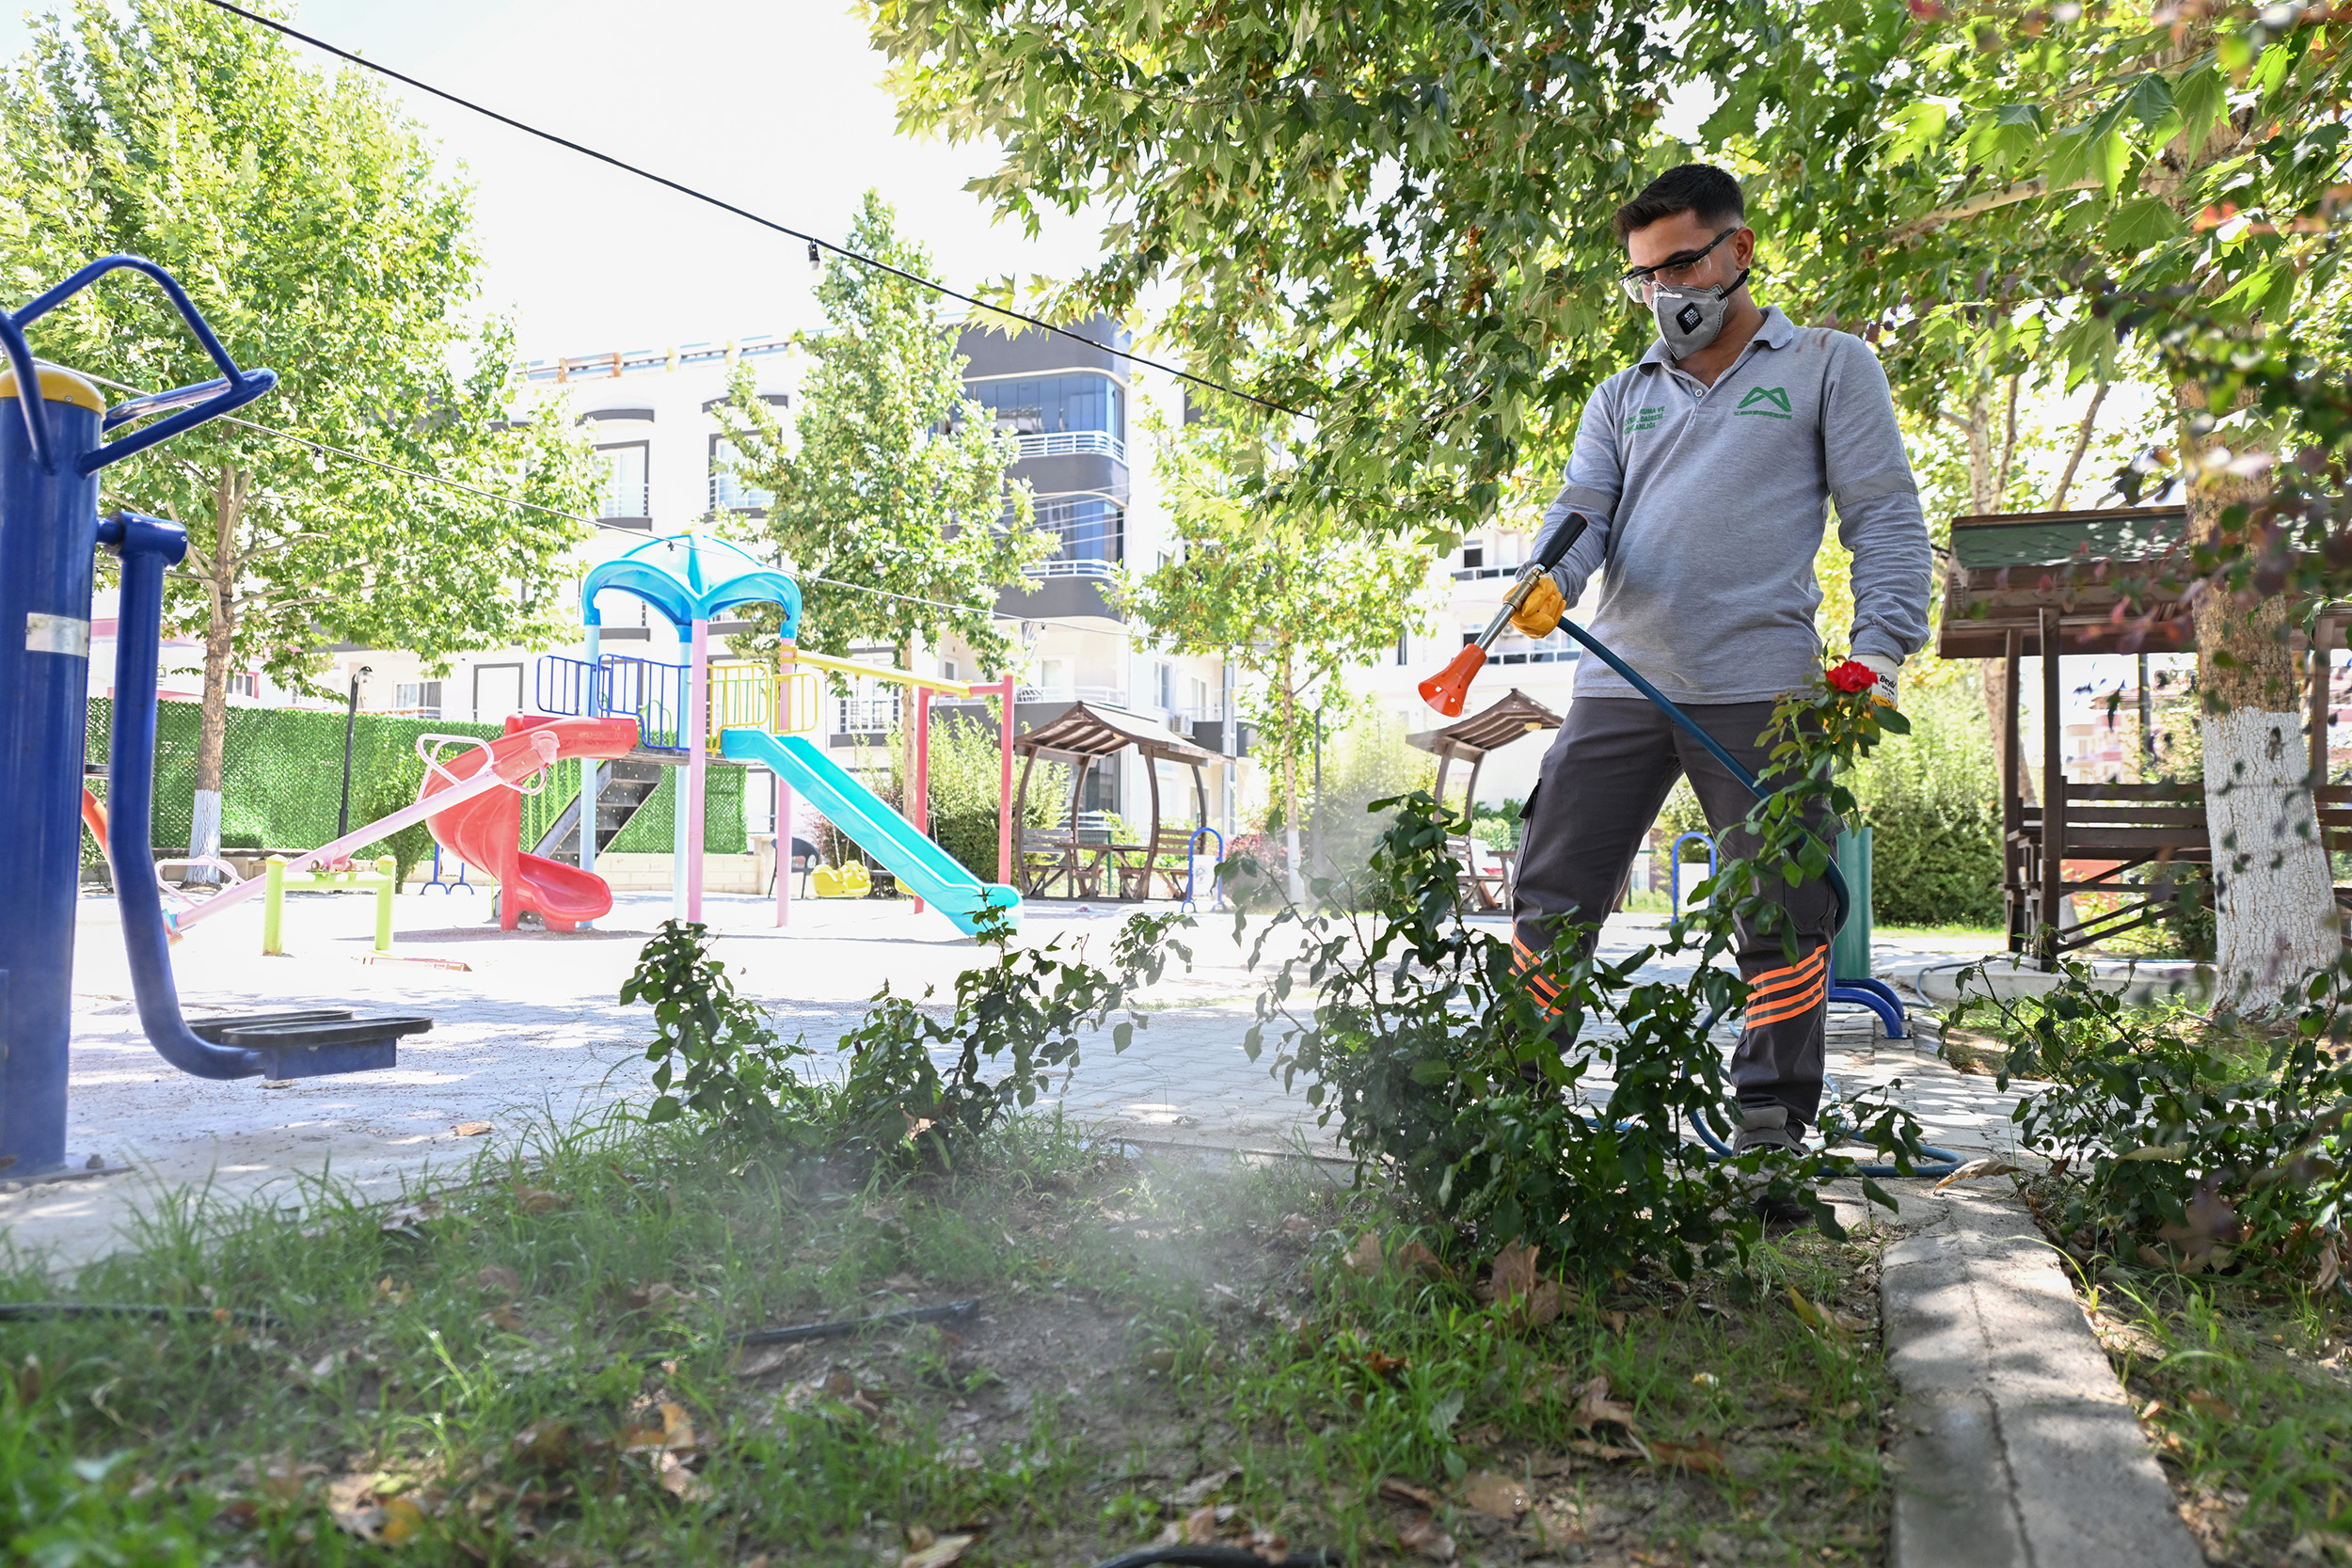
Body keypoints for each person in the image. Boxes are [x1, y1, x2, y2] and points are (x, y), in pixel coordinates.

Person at [1505, 163, 1932, 1162]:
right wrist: (1546, 580)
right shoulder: (1621, 396)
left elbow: (1885, 518)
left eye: (1683, 266)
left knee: (1781, 905)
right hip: (1622, 679)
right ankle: (1515, 1101)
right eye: (1645, 278)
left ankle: (1770, 1128)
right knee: (1552, 888)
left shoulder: (1829, 366)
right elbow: (1582, 516)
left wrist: (1878, 655)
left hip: (1765, 691)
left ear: (1738, 252)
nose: (1666, 294)